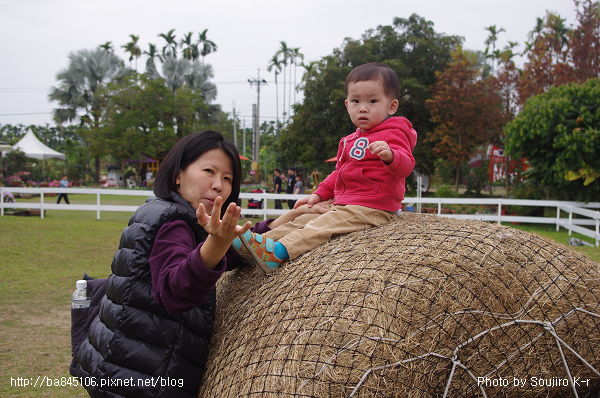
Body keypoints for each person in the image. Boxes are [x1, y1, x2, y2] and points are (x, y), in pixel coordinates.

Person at [72, 130, 330, 398]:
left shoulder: (164, 210)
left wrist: (283, 221)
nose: (219, 185)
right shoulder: (174, 224)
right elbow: (174, 292)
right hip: (144, 376)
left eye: (227, 178)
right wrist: (215, 245)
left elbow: (228, 249)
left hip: (122, 360)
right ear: (177, 174)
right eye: (209, 170)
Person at [234, 62, 417, 273]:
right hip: (347, 204)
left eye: (373, 101)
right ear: (347, 105)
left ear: (391, 106)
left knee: (322, 225)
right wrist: (319, 194)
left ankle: (279, 252)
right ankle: (258, 243)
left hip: (374, 207)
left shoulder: (394, 132)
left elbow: (406, 166)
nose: (363, 107)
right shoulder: (349, 140)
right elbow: (339, 173)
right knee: (305, 219)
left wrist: (391, 156)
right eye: (356, 101)